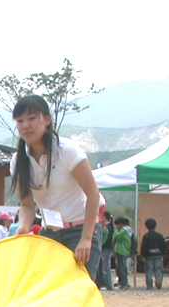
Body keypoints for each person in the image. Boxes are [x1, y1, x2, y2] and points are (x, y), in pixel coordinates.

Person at [8, 95, 101, 280]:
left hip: (80, 229)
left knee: (78, 291)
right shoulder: (18, 161)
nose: (26, 125)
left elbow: (93, 194)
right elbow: (26, 204)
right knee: (48, 291)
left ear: (47, 120)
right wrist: (23, 226)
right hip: (50, 232)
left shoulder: (68, 151)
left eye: (32, 118)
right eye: (20, 120)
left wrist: (86, 239)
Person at [139, 218, 166, 290]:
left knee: (149, 270)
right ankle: (158, 280)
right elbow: (163, 245)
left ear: (146, 226)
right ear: (155, 226)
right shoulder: (159, 235)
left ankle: (149, 285)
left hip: (149, 256)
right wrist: (163, 253)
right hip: (158, 255)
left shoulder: (146, 236)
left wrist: (142, 255)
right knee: (158, 269)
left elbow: (144, 246)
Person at [112, 217, 132, 290]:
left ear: (121, 224)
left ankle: (123, 284)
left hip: (122, 251)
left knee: (121, 269)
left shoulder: (124, 230)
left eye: (117, 225)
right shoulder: (126, 230)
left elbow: (117, 236)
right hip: (122, 251)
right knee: (120, 269)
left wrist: (115, 230)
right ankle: (122, 283)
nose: (116, 227)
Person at [98, 211, 115, 290]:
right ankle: (106, 284)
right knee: (104, 267)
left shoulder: (107, 227)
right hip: (107, 249)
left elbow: (104, 240)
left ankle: (107, 285)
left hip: (105, 249)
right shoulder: (110, 227)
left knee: (105, 267)